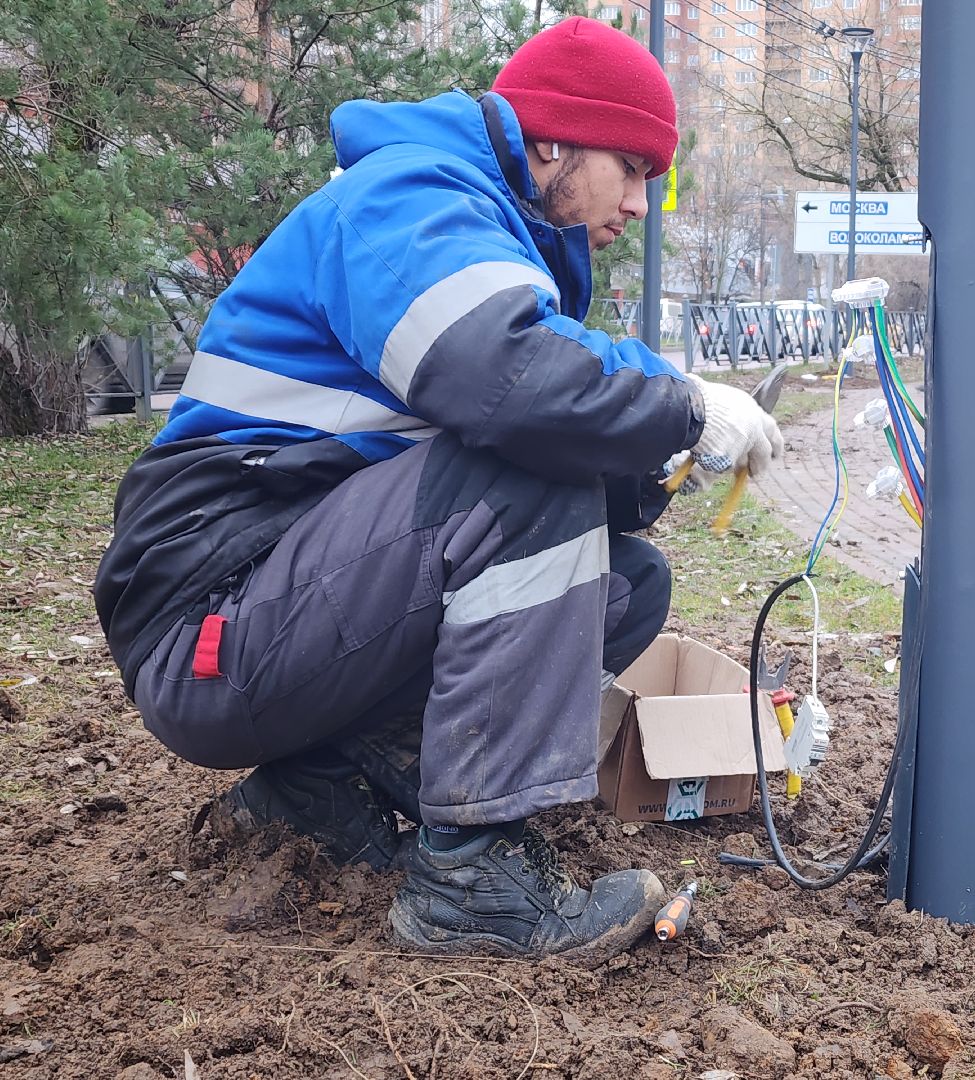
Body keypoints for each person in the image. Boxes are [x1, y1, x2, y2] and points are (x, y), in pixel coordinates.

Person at [92, 17, 782, 963]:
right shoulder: (406, 198)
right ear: (553, 141)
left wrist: (667, 452)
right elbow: (500, 379)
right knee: (523, 481)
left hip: (275, 607)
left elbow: (544, 415)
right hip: (207, 617)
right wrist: (679, 409)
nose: (639, 202)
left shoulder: (481, 235)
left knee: (624, 587)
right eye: (629, 167)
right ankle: (472, 884)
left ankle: (316, 786)